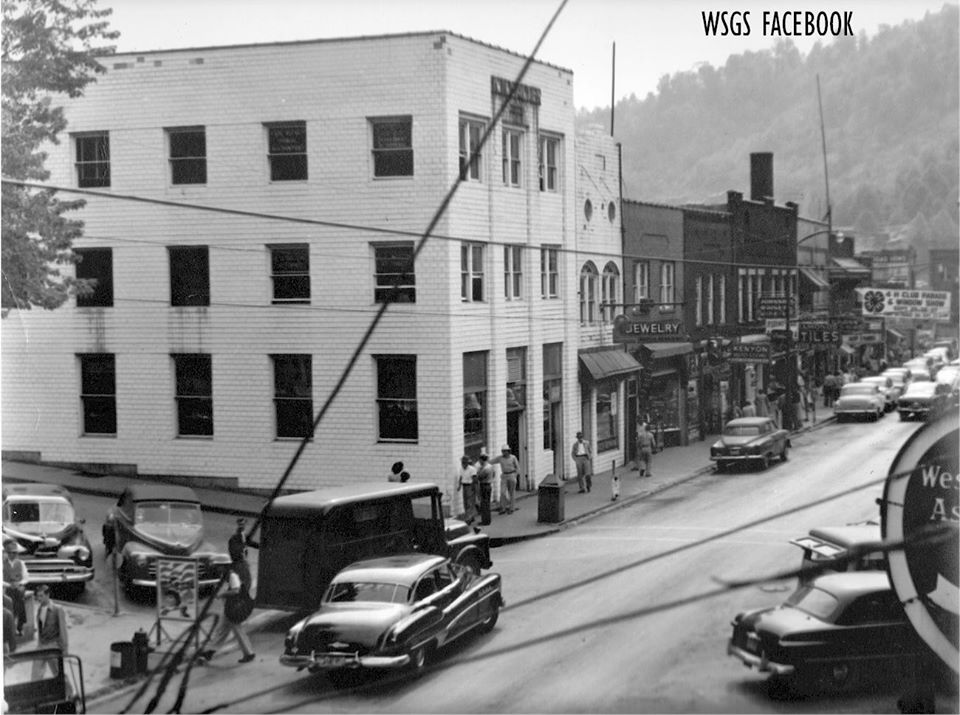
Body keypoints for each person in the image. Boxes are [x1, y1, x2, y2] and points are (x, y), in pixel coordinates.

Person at [199, 557, 255, 665]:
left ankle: (209, 653)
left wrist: (222, 594)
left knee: (229, 630)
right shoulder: (225, 575)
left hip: (232, 607)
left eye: (219, 566)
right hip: (229, 606)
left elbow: (236, 590)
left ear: (224, 566)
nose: (217, 568)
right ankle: (209, 652)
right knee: (224, 630)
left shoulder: (232, 576)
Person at [32, 584, 69, 679]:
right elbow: (40, 629)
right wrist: (39, 643)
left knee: (59, 673)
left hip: (53, 646)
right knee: (35, 674)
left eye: (41, 596)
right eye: (38, 596)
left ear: (47, 595)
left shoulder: (57, 609)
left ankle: (68, 688)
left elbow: (63, 630)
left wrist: (65, 648)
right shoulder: (39, 609)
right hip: (41, 646)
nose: (39, 599)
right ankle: (36, 688)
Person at [3, 536, 29, 636]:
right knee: (13, 597)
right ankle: (17, 625)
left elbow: (26, 578)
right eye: (10, 553)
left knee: (19, 594)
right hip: (7, 586)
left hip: (19, 586)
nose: (12, 555)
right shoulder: (2, 564)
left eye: (14, 553)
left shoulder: (21, 563)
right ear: (7, 553)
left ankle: (19, 625)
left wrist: (19, 583)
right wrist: (9, 585)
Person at [491, 445, 520, 514]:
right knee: (503, 492)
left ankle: (512, 508)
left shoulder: (513, 458)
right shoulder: (500, 458)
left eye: (505, 451)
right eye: (503, 451)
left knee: (511, 492)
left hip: (511, 474)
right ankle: (503, 508)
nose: (503, 452)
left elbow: (517, 467)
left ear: (508, 451)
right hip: (504, 475)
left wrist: (515, 475)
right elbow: (492, 461)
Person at [456, 456, 478, 524]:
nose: (463, 464)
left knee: (469, 502)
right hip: (464, 486)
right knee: (465, 502)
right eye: (462, 463)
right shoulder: (461, 469)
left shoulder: (472, 469)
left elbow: (474, 479)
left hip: (470, 486)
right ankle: (471, 516)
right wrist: (459, 485)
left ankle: (468, 518)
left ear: (467, 463)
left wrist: (473, 487)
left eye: (464, 463)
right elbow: (461, 477)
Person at [475, 454, 494, 526]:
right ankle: (487, 520)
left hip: (484, 485)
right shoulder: (490, 466)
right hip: (488, 485)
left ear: (482, 460)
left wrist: (478, 471)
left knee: (484, 504)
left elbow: (479, 477)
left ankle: (485, 521)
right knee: (487, 504)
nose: (479, 462)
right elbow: (494, 474)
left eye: (480, 460)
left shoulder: (485, 469)